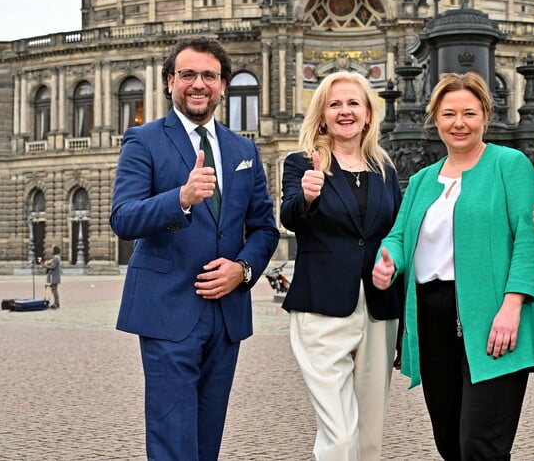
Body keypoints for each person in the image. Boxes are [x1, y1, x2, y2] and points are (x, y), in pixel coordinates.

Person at [109, 36, 279, 461]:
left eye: (209, 76)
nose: (198, 84)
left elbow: (264, 228)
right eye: (188, 75)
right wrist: (180, 198)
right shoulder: (143, 140)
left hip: (226, 316)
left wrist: (243, 269)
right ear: (170, 82)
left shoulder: (243, 149)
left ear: (222, 85)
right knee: (172, 439)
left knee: (206, 440)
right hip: (167, 311)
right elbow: (123, 217)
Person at [373, 71, 534, 460]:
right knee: (449, 441)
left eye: (469, 113)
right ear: (435, 118)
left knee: (480, 443)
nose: (459, 123)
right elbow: (399, 237)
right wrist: (387, 262)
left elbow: (530, 236)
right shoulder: (421, 180)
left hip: (494, 317)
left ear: (485, 115)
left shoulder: (510, 164)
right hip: (432, 321)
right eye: (449, 113)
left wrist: (513, 303)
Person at [280, 71, 403, 461]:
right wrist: (307, 197)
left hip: (379, 311)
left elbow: (395, 235)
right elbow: (290, 218)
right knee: (338, 435)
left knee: (369, 438)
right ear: (322, 115)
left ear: (368, 114)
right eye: (335, 104)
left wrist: (394, 269)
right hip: (322, 309)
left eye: (354, 103)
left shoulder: (385, 169)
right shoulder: (302, 162)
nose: (344, 111)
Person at [43, 245, 61, 309]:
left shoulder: (56, 258)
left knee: (54, 290)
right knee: (53, 290)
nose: (51, 250)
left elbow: (52, 267)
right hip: (53, 277)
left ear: (54, 250)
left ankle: (56, 303)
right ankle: (55, 303)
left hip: (54, 277)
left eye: (52, 249)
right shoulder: (55, 258)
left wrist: (45, 265)